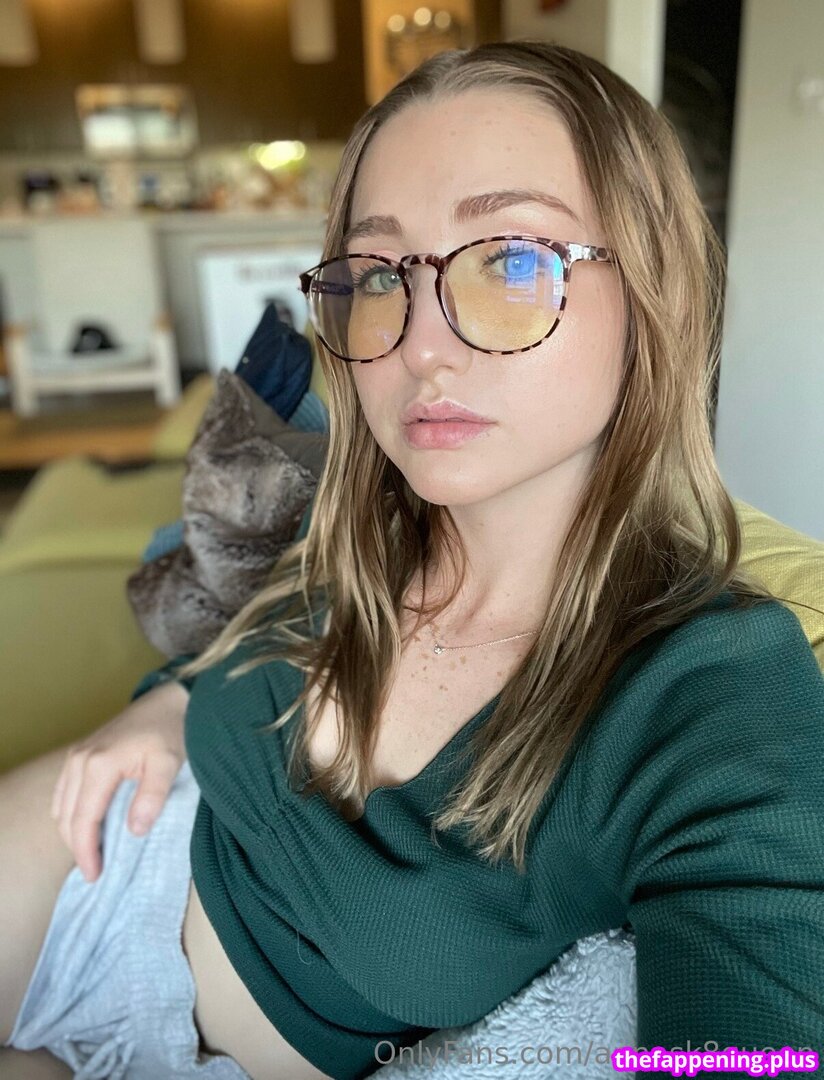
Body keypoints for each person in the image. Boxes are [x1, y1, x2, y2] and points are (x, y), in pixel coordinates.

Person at [2, 39, 824, 1080]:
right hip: (91, 869)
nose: (420, 345)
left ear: (654, 290)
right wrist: (165, 705)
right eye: (380, 275)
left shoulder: (712, 689)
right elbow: (244, 638)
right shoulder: (366, 529)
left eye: (511, 262)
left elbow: (753, 1034)